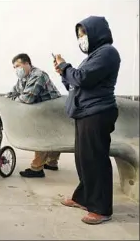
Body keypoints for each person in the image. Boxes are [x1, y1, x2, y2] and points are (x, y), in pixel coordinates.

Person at [54, 16, 120, 225]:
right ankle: (84, 198)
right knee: (84, 160)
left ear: (96, 32)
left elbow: (82, 77)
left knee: (96, 160)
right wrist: (64, 73)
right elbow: (76, 84)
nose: (81, 39)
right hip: (85, 113)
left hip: (98, 113)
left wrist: (66, 67)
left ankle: (102, 209)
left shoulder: (108, 52)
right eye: (79, 35)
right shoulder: (92, 57)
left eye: (84, 34)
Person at [8, 53, 62, 178]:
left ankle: (37, 168)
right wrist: (3, 98)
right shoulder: (23, 79)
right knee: (54, 136)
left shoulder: (38, 75)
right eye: (14, 67)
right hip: (48, 110)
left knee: (42, 135)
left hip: (54, 110)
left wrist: (13, 100)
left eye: (18, 66)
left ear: (27, 64)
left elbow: (27, 99)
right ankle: (52, 163)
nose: (17, 69)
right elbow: (13, 92)